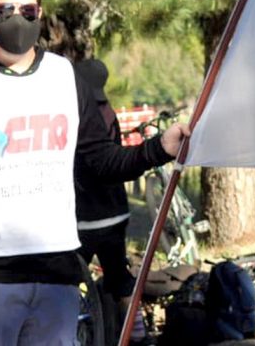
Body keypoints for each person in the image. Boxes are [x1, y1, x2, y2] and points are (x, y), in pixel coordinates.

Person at [0, 0, 189, 345]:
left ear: (39, 14)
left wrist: (159, 149)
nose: (17, 20)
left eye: (29, 11)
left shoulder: (64, 76)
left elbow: (100, 161)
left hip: (59, 276)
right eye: (5, 11)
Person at [73, 57, 150, 344]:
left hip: (85, 217)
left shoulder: (78, 116)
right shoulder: (108, 113)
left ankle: (70, 334)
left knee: (68, 279)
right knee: (119, 276)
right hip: (116, 212)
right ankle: (137, 333)